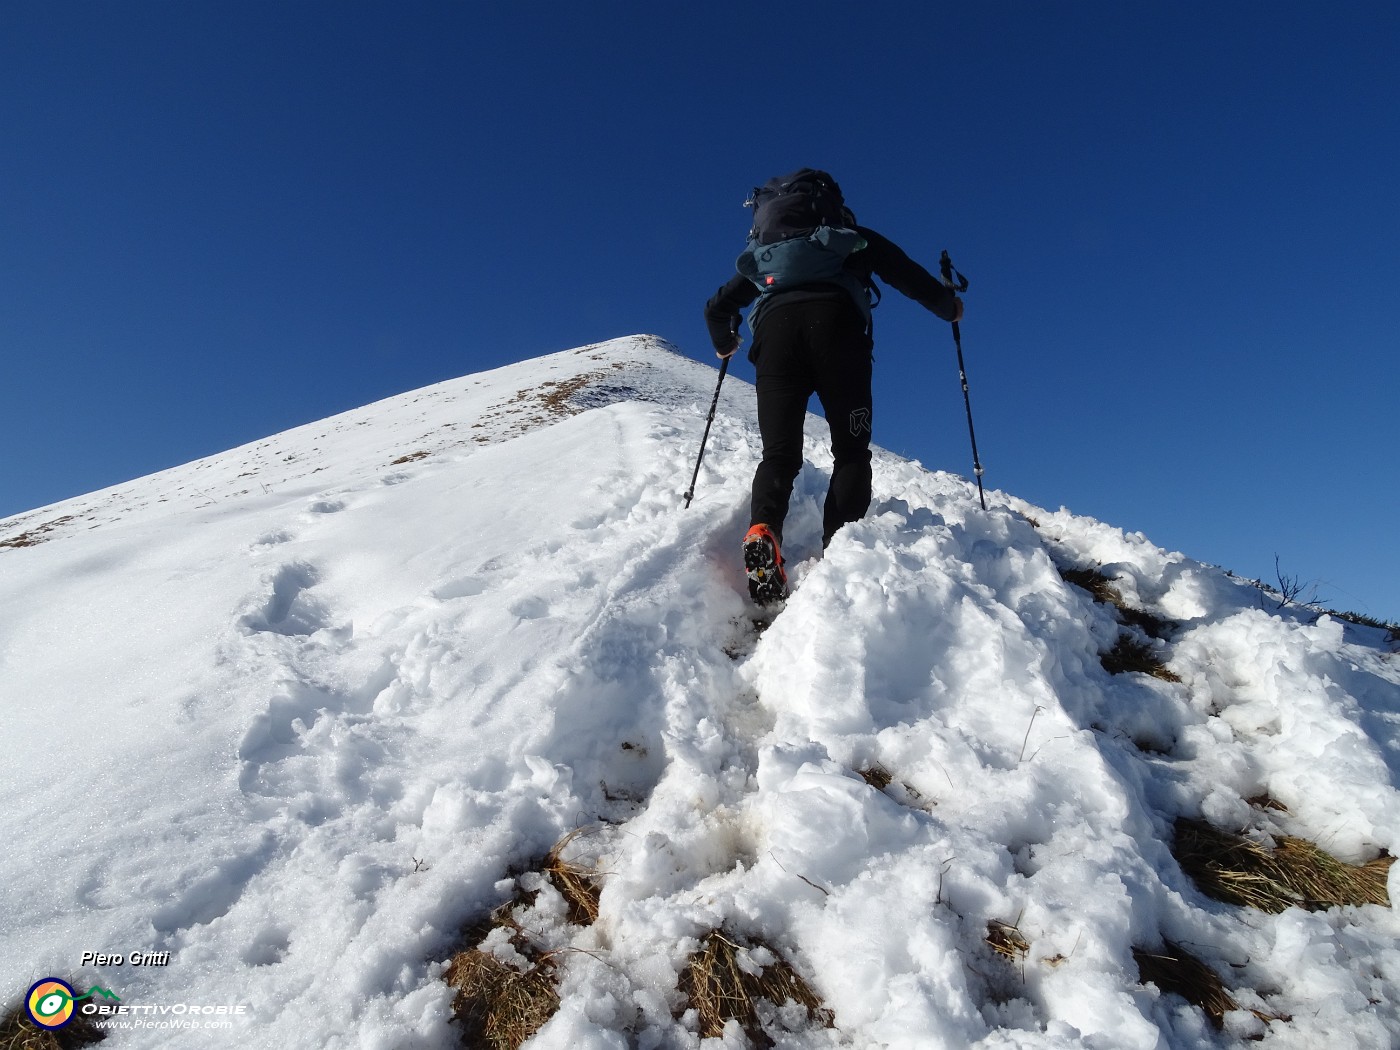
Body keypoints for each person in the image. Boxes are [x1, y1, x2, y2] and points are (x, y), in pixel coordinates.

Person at [703, 168, 963, 604]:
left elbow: (716, 308)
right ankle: (839, 553)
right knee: (851, 452)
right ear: (831, 202)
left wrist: (725, 341)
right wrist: (949, 307)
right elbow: (905, 274)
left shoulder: (765, 253)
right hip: (839, 334)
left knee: (779, 454)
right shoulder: (850, 237)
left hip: (775, 340)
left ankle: (763, 528)